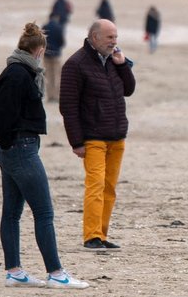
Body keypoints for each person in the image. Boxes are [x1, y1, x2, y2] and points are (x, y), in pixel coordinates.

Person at [0, 23, 90, 289]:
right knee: (44, 212)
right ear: (40, 50)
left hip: (16, 148)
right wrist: (9, 142)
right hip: (18, 148)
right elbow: (0, 112)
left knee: (11, 213)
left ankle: (14, 272)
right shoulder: (18, 74)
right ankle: (56, 273)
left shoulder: (20, 70)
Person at [59, 19, 136, 251]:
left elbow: (129, 89)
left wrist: (122, 65)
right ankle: (91, 236)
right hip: (92, 137)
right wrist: (76, 142)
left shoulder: (115, 60)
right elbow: (68, 106)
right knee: (96, 185)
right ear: (94, 38)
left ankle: (102, 234)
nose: (114, 42)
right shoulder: (75, 64)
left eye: (116, 37)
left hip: (116, 135)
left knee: (109, 187)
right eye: (109, 37)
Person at [42, 13, 65, 102]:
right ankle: (56, 96)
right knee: (57, 76)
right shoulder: (59, 27)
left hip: (47, 54)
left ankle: (50, 96)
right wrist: (57, 48)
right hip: (56, 55)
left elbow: (42, 40)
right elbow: (61, 41)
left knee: (48, 76)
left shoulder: (45, 26)